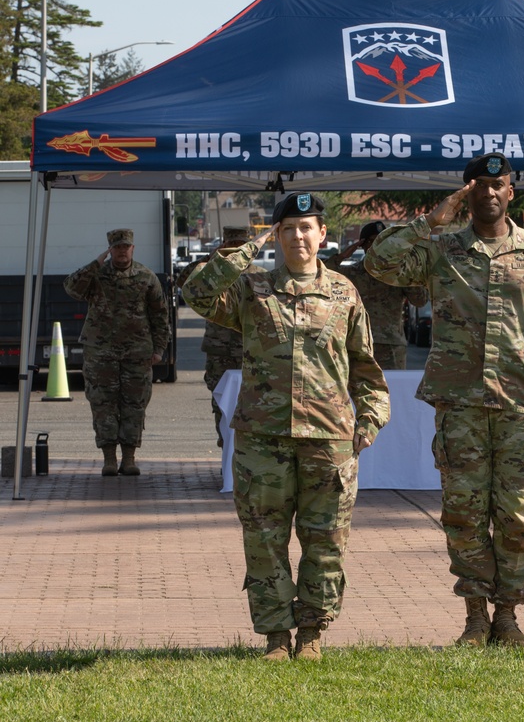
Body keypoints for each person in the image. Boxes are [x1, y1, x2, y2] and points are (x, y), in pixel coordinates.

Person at [365, 152, 524, 648]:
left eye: (498, 185)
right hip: (460, 405)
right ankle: (474, 617)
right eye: (478, 185)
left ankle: (507, 615)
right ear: (466, 191)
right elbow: (379, 262)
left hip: (521, 406)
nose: (489, 193)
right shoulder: (442, 250)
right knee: (463, 512)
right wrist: (429, 220)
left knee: (516, 515)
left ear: (511, 192)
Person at [182, 192, 390, 661]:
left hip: (329, 442)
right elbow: (196, 292)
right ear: (276, 236)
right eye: (288, 228)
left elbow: (365, 368)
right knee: (264, 539)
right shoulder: (251, 290)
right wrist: (246, 249)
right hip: (263, 442)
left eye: (306, 227)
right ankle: (276, 635)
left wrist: (371, 420)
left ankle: (312, 632)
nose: (298, 236)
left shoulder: (344, 292)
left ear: (322, 234)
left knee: (326, 540)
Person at [64, 228, 170, 477]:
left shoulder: (146, 277)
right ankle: (109, 459)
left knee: (134, 405)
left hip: (137, 352)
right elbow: (72, 288)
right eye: (117, 247)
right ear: (110, 250)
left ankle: (129, 458)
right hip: (101, 353)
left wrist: (160, 349)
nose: (122, 251)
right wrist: (95, 263)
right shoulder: (96, 275)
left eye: (126, 247)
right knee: (103, 404)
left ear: (133, 248)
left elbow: (160, 316)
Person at [176, 226, 266, 446]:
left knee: (255, 401)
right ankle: (225, 445)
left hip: (251, 349)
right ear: (223, 246)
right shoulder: (211, 271)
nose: (236, 248)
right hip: (221, 350)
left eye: (241, 245)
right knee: (221, 400)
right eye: (231, 244)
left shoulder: (261, 275)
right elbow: (184, 281)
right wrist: (213, 258)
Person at [325, 220, 428, 370]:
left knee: (394, 390)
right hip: (359, 344)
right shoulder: (353, 273)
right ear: (363, 245)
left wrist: (407, 267)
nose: (375, 246)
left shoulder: (398, 272)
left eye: (381, 241)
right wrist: (342, 256)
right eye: (371, 241)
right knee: (358, 391)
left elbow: (420, 300)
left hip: (391, 344)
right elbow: (320, 276)